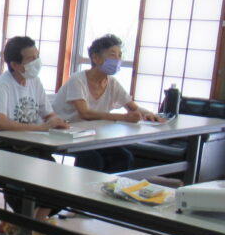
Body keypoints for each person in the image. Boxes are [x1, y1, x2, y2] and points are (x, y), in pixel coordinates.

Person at [0, 35, 68, 220]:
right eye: (31, 58)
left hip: (26, 143)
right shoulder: (2, 85)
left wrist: (58, 122)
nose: (37, 62)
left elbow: (48, 114)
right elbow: (0, 123)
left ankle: (36, 223)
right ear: (15, 64)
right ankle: (26, 223)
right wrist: (41, 128)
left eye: (37, 56)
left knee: (57, 175)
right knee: (27, 173)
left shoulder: (35, 82)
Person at [52, 34, 161, 172]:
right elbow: (85, 114)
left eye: (120, 55)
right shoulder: (77, 80)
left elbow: (133, 107)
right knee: (93, 159)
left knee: (124, 157)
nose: (118, 60)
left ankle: (109, 185)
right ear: (95, 58)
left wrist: (150, 114)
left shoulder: (112, 83)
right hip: (66, 133)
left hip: (92, 135)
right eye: (112, 55)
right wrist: (123, 117)